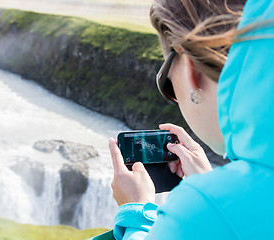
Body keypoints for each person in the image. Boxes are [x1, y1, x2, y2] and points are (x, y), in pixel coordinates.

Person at [109, 0, 274, 239]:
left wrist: (135, 212)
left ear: (191, 69)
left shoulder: (204, 208)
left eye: (167, 84)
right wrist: (210, 183)